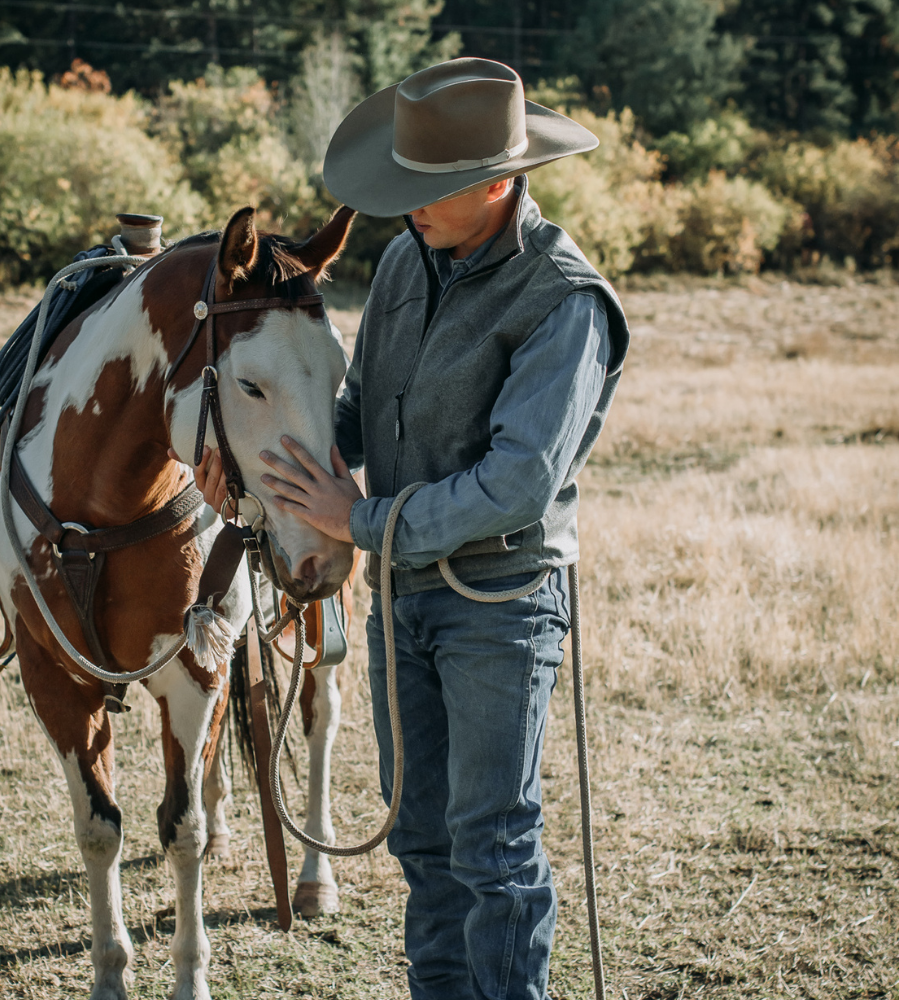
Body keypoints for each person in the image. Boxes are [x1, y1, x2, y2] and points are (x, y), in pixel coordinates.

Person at [192, 58, 630, 1000]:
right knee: (422, 836)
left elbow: (518, 483)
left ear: (498, 184)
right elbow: (357, 415)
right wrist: (262, 471)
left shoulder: (565, 300)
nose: (406, 207)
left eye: (427, 190)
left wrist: (358, 519)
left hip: (500, 601)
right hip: (402, 593)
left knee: (492, 843)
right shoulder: (403, 263)